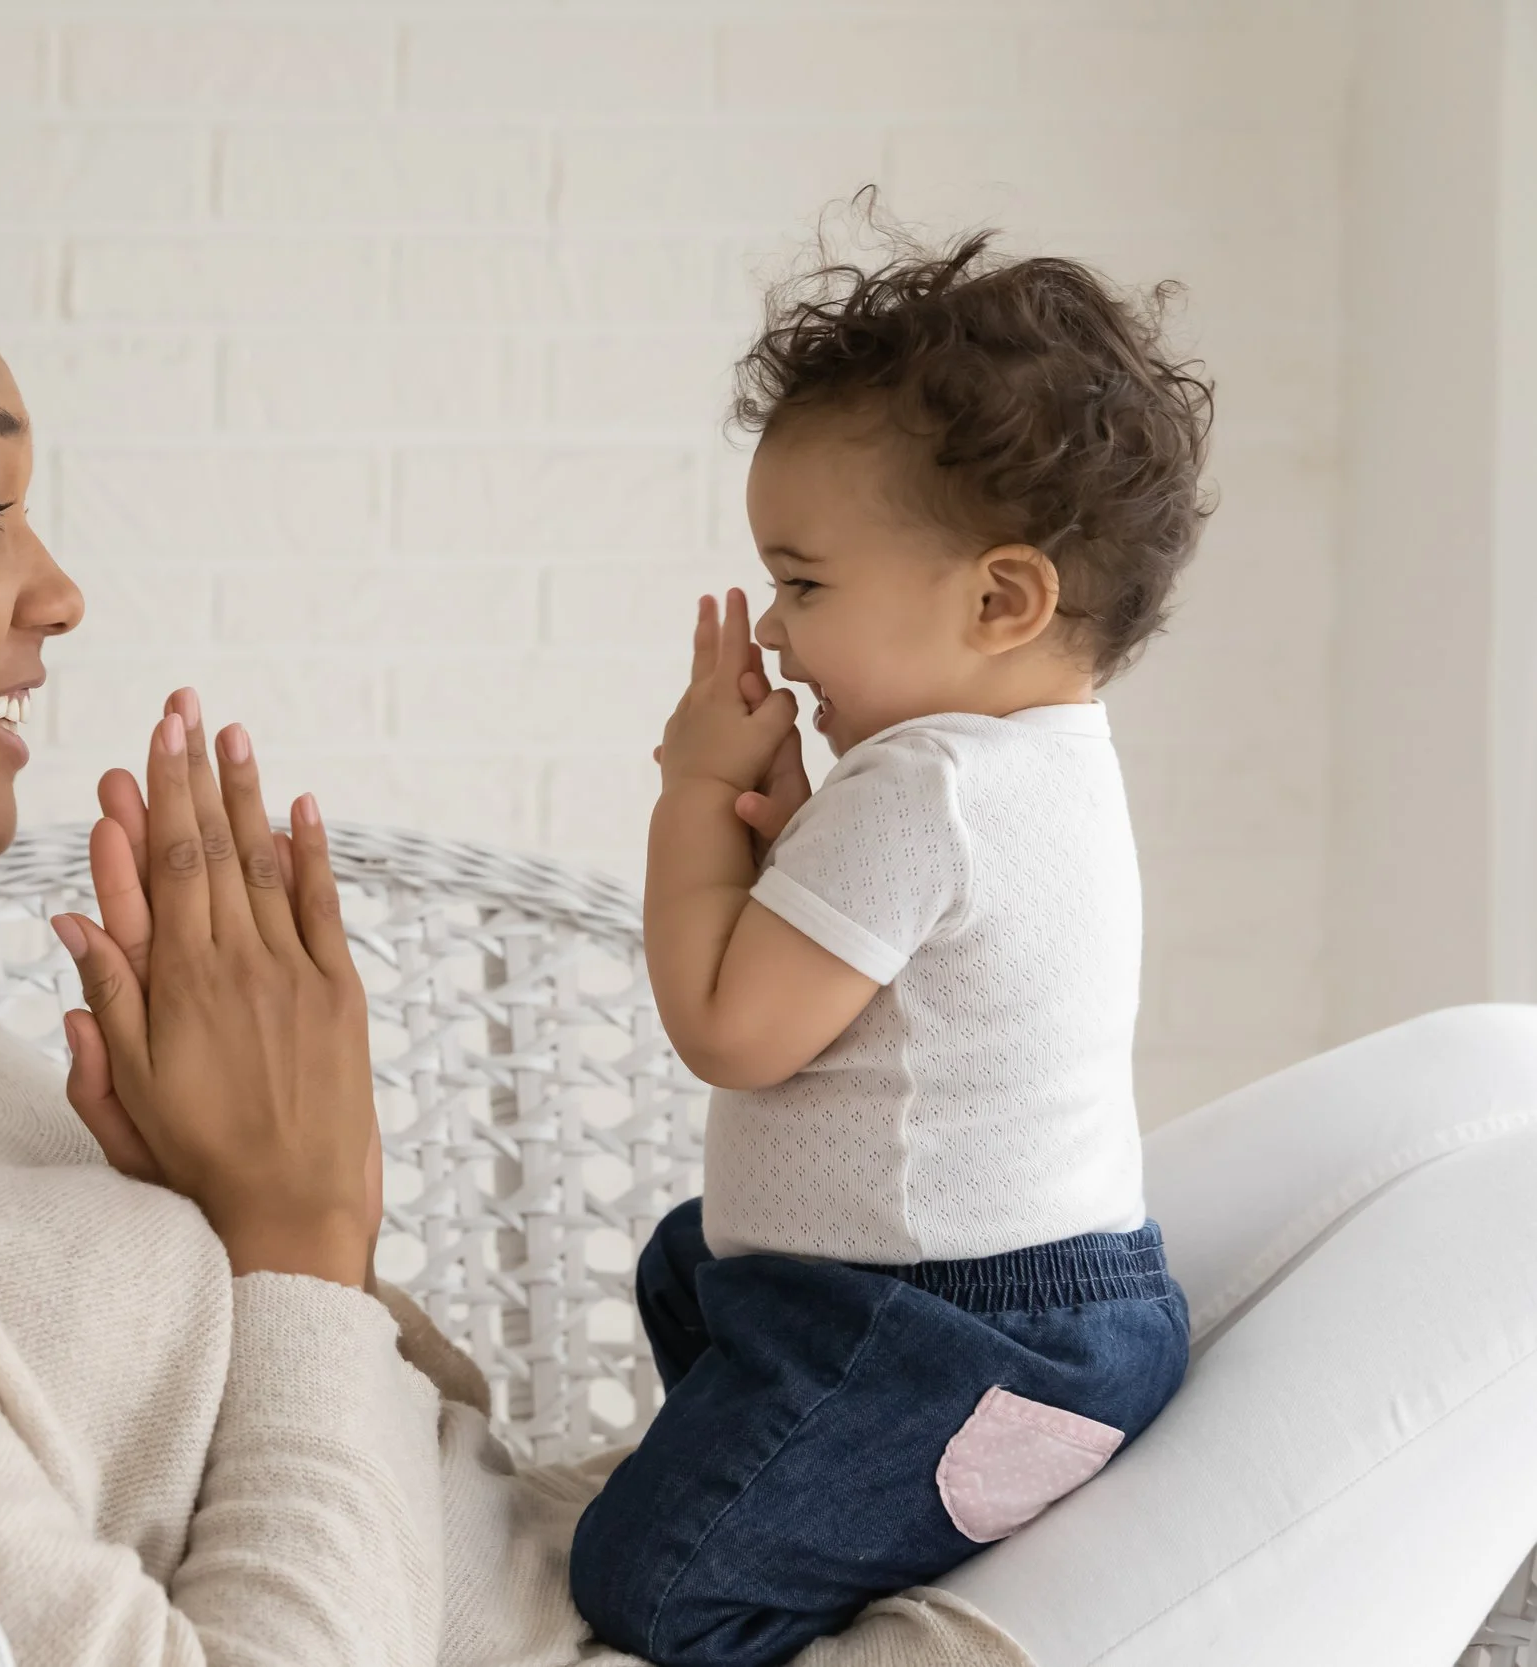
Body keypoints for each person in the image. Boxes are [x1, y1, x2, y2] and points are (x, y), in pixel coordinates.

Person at [0, 93, 1537, 1667]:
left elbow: (274, 1410)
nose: (53, 592)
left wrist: (254, 1231)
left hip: (623, 1547)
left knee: (1487, 1074)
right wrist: (294, 1238)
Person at [569, 236, 1213, 1667]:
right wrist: (793, 830)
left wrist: (692, 792)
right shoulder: (1040, 765)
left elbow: (733, 1027)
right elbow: (885, 976)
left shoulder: (924, 781)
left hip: (946, 1338)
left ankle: (842, 1558)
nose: (781, 637)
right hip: (1044, 1311)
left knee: (648, 1580)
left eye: (803, 585)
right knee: (693, 1266)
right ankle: (834, 1499)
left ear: (1001, 601)